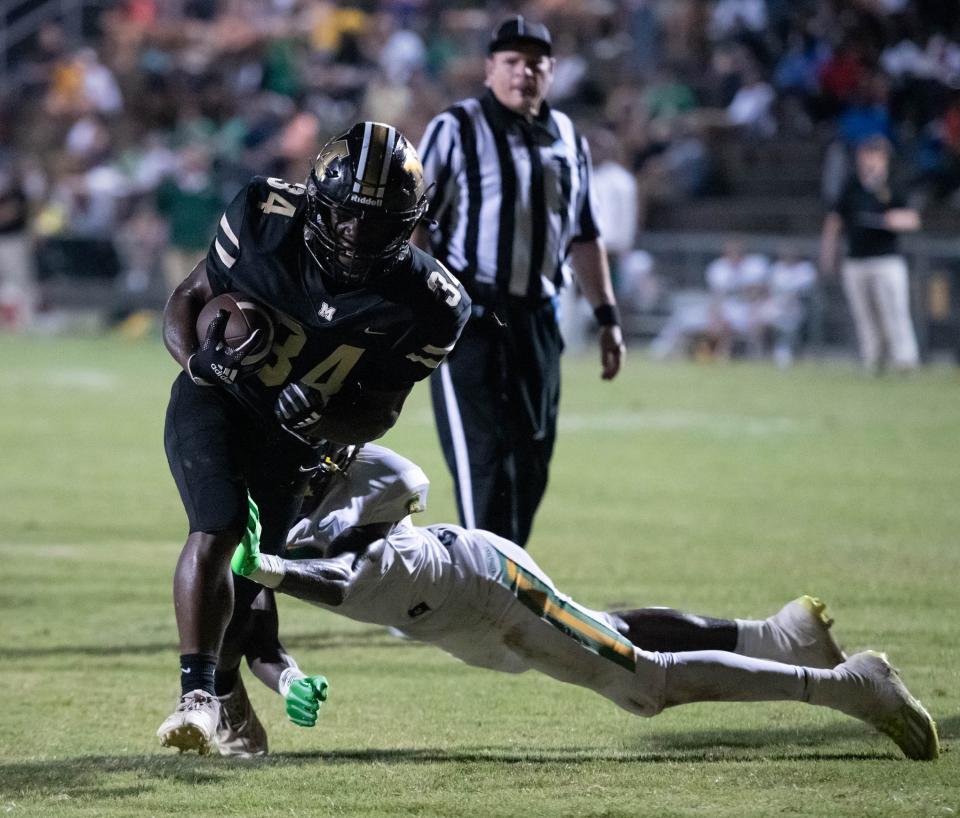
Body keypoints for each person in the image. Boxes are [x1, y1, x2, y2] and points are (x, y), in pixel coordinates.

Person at [230, 443, 939, 762]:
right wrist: (287, 678)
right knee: (611, 631)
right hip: (457, 627)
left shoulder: (364, 500)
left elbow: (350, 575)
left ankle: (849, 687)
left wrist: (270, 566)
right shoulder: (276, 524)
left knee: (642, 686)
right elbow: (257, 630)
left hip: (491, 589)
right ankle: (776, 636)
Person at [156, 120, 471, 756]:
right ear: (319, 199)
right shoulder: (263, 215)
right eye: (348, 215)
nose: (357, 233)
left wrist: (322, 421)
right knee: (216, 527)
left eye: (378, 221)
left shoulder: (432, 302)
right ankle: (196, 694)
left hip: (296, 443)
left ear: (409, 221)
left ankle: (228, 697)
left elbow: (380, 412)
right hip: (217, 398)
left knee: (251, 587)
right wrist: (197, 364)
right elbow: (187, 300)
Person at [416, 16, 626, 548]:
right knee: (483, 462)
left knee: (531, 463)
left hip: (537, 317)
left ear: (551, 71)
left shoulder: (568, 136)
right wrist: (418, 308)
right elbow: (414, 224)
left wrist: (607, 317)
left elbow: (584, 233)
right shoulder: (456, 128)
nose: (523, 72)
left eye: (535, 62)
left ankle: (472, 583)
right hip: (470, 316)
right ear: (489, 69)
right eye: (511, 62)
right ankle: (485, 596)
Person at [820, 136, 921, 373]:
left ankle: (905, 359)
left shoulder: (894, 185)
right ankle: (873, 360)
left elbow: (913, 219)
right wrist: (828, 253)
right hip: (856, 260)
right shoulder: (852, 185)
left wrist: (895, 220)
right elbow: (835, 220)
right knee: (865, 314)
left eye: (873, 155)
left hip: (887, 259)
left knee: (895, 310)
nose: (868, 161)